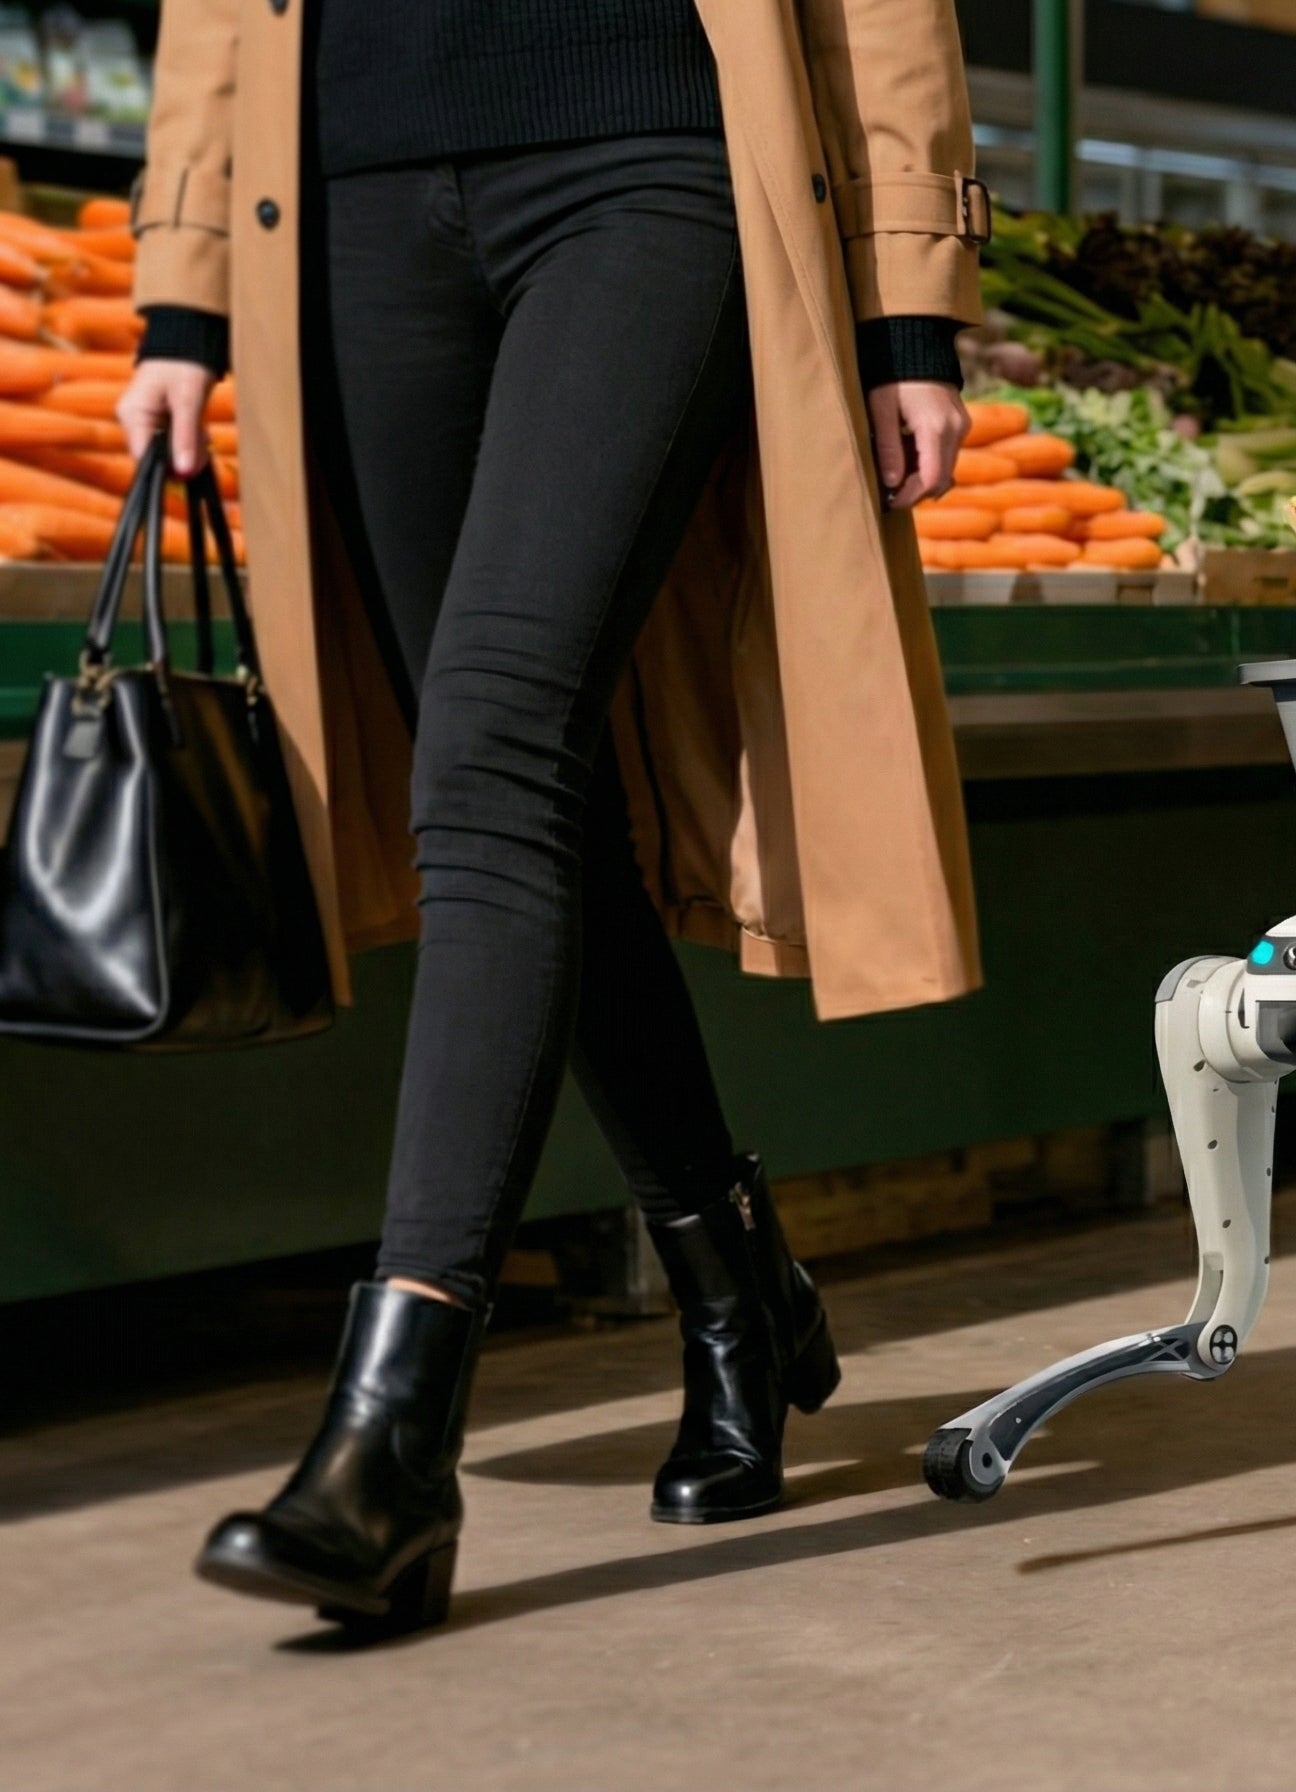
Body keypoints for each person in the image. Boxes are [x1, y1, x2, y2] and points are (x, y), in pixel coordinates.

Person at [121, 0, 987, 1635]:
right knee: (529, 796)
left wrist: (910, 300)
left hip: (646, 156)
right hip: (352, 185)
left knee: (492, 748)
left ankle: (390, 1445)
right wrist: (181, 286)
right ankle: (738, 1285)